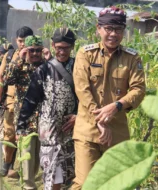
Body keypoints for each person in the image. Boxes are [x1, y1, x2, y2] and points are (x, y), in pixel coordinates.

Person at [72, 6, 146, 190]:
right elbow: (82, 89)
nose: (113, 34)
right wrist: (100, 120)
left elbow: (138, 89)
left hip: (117, 134)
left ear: (123, 31)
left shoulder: (132, 58)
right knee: (85, 183)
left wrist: (118, 105)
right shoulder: (85, 54)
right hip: (87, 131)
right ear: (99, 29)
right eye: (109, 29)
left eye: (118, 30)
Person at [17, 28, 78, 190]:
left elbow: (87, 95)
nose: (62, 51)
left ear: (72, 47)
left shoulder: (79, 67)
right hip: (49, 131)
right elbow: (30, 100)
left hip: (73, 131)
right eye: (58, 47)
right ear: (52, 46)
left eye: (66, 47)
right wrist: (21, 126)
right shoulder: (43, 70)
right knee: (52, 172)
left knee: (70, 174)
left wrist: (78, 115)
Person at [6, 35, 51, 189]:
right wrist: (20, 57)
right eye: (31, 50)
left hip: (44, 119)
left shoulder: (47, 67)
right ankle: (28, 186)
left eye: (38, 50)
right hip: (25, 120)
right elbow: (7, 78)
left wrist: (49, 58)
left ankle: (30, 182)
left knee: (37, 157)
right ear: (26, 50)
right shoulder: (20, 67)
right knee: (27, 154)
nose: (35, 54)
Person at [0, 26, 34, 177]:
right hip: (11, 101)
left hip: (31, 103)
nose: (23, 44)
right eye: (20, 41)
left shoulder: (36, 54)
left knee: (28, 136)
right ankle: (7, 164)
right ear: (16, 40)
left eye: (26, 41)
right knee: (9, 134)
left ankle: (27, 169)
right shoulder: (10, 55)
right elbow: (0, 77)